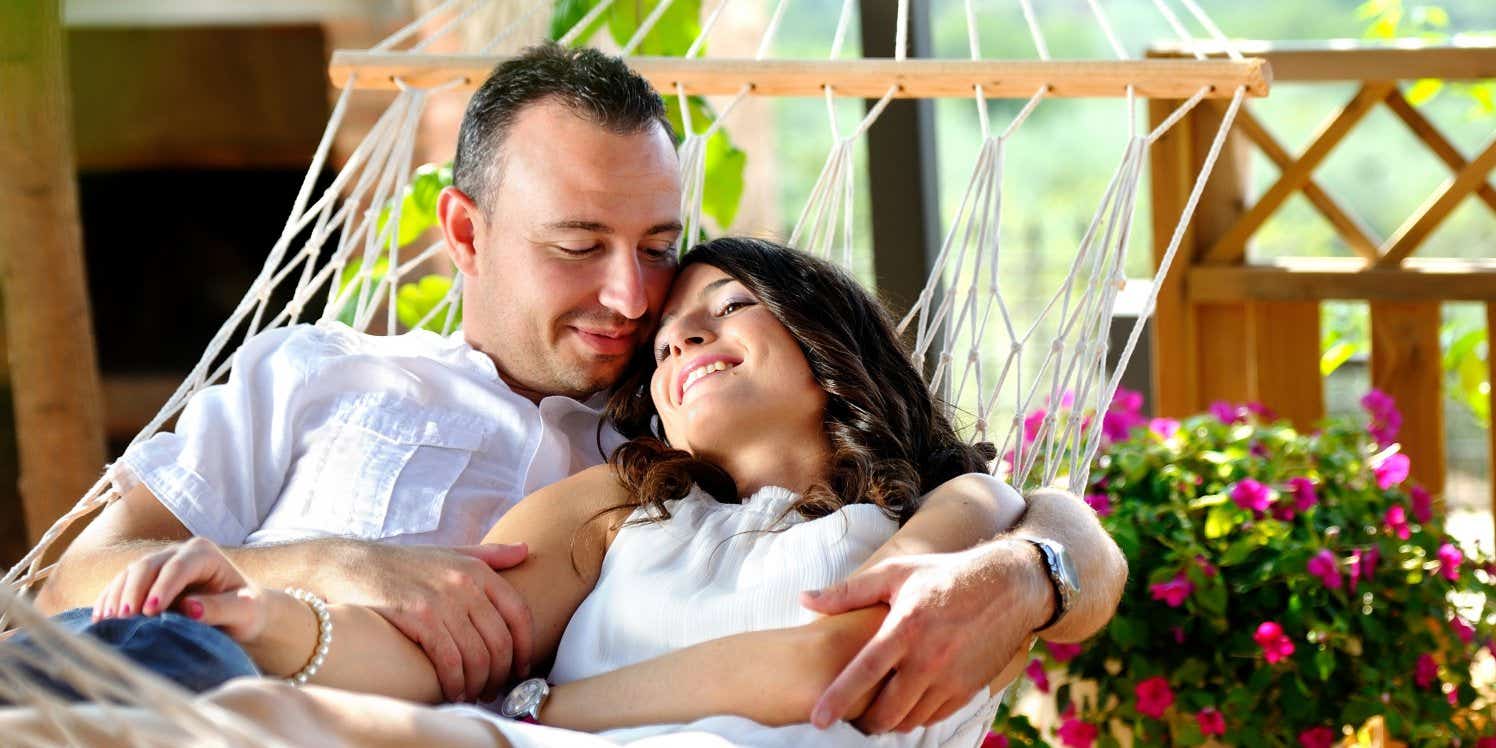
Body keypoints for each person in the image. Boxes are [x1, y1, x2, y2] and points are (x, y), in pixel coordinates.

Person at [28, 44, 1125, 730]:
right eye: (577, 243)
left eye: (657, 243)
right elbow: (62, 580)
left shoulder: (659, 464)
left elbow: (1024, 510)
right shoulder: (314, 370)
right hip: (172, 670)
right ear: (465, 230)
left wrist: (1031, 564)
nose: (630, 295)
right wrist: (321, 563)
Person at [10, 238, 1106, 746]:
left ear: (824, 344)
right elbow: (447, 649)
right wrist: (269, 614)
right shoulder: (616, 506)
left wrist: (547, 707)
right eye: (670, 338)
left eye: (725, 307)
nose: (683, 334)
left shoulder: (961, 525)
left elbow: (832, 668)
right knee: (223, 684)